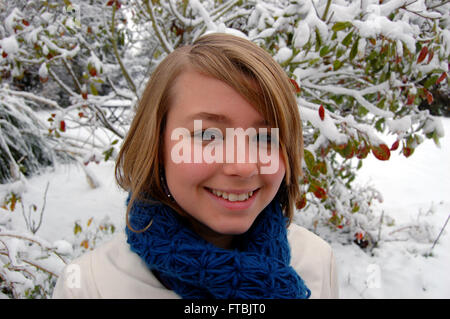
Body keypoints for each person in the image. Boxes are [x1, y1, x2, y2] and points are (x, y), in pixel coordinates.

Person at [52, 33, 339, 299]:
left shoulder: (315, 262)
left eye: (264, 137)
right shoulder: (91, 286)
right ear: (157, 145)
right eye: (207, 135)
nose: (243, 166)